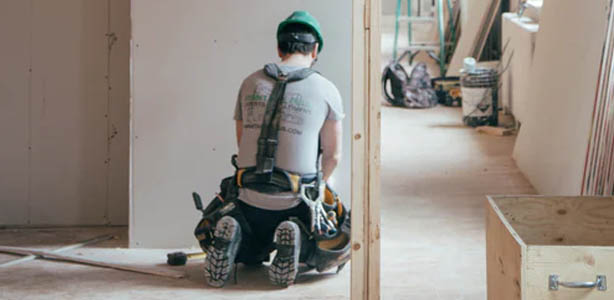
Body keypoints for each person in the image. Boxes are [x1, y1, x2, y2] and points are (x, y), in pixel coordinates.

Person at [200, 11, 349, 288]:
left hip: (248, 199)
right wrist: (319, 187)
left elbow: (242, 141)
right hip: (294, 200)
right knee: (337, 236)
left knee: (251, 250)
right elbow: (333, 156)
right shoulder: (326, 89)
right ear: (315, 49)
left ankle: (238, 236)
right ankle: (298, 236)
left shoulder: (250, 82)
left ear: (279, 48)